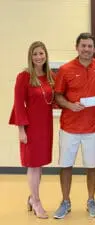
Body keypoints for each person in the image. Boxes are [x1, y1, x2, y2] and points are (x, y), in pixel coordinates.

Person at [53, 33, 95, 219]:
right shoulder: (65, 69)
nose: (86, 49)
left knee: (92, 166)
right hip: (69, 128)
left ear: (94, 49)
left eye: (90, 46)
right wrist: (70, 105)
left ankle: (91, 200)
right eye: (83, 46)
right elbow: (58, 95)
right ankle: (65, 201)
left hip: (92, 128)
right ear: (77, 47)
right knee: (66, 166)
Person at [9, 41, 54, 219]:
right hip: (31, 127)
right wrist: (21, 130)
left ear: (46, 55)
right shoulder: (24, 76)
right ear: (30, 56)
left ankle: (31, 198)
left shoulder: (50, 76)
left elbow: (53, 100)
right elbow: (19, 105)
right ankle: (36, 201)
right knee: (33, 166)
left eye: (41, 53)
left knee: (39, 165)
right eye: (35, 54)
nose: (38, 57)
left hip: (46, 126)